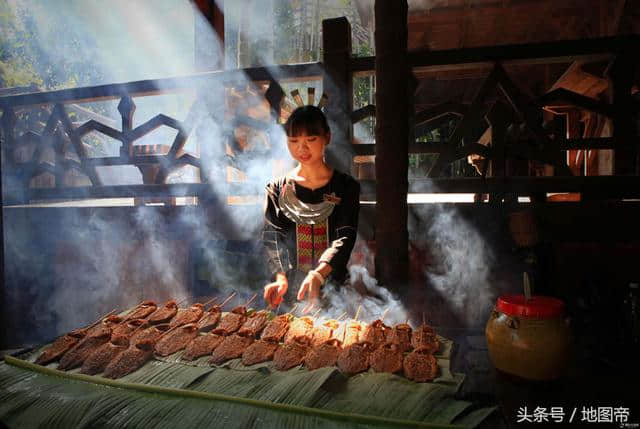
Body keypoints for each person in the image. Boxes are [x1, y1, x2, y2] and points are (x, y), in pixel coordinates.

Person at [262, 105, 360, 313]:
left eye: (311, 140)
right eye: (294, 141)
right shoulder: (276, 189)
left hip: (334, 287)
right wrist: (280, 277)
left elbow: (345, 236)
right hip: (290, 291)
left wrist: (318, 273)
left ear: (327, 137)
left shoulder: (346, 186)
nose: (302, 149)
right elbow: (272, 237)